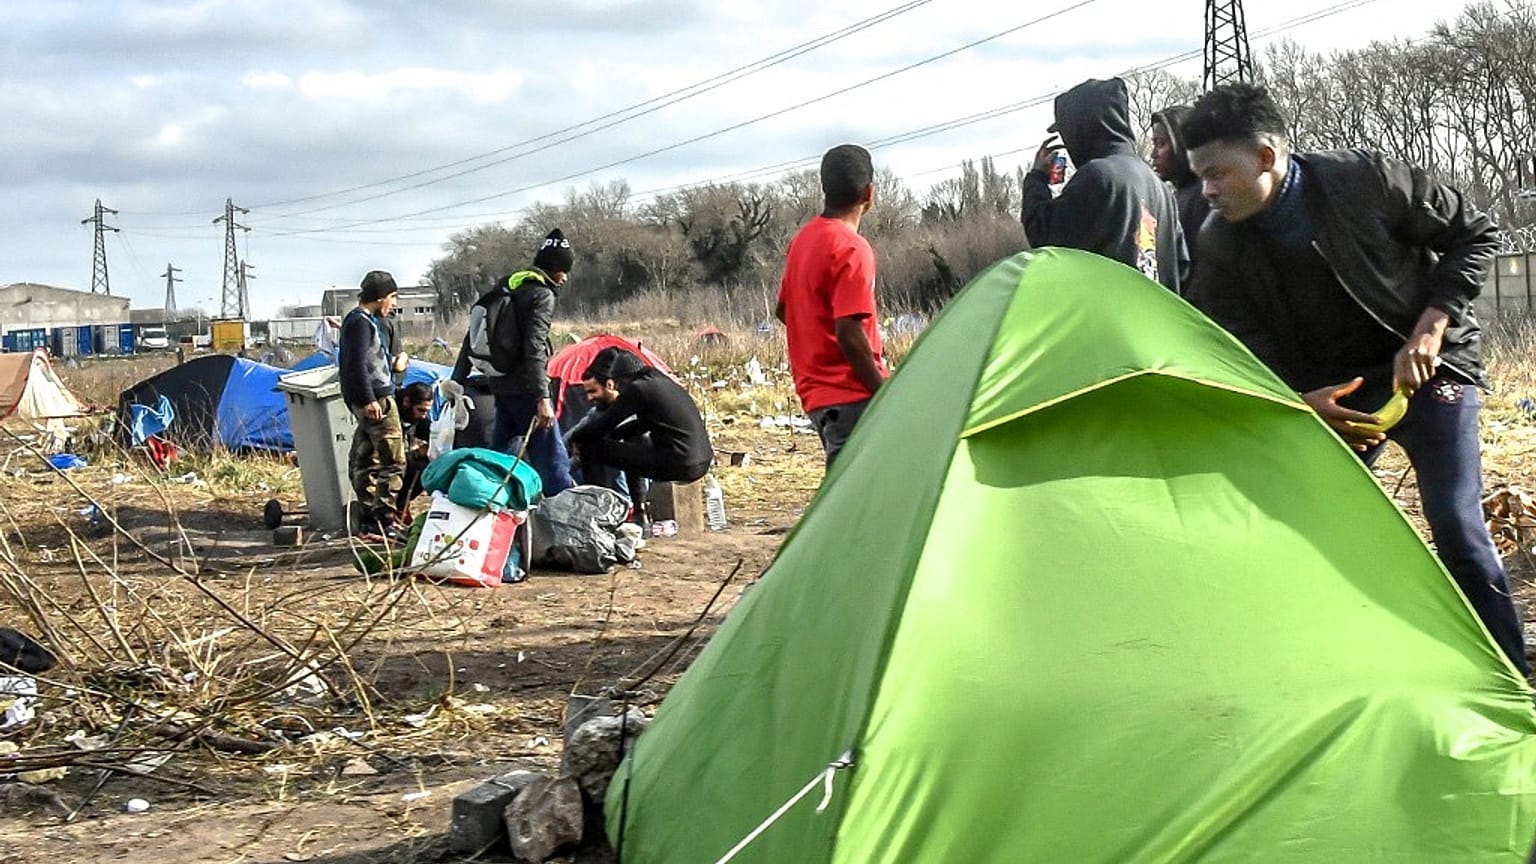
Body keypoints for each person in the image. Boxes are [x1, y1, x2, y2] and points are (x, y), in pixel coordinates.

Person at [1181, 82, 1527, 674]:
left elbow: (1476, 236)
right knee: (1318, 538)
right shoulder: (1218, 246)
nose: (1206, 191)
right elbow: (1234, 351)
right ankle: (1366, 674)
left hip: (1430, 368)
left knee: (1456, 525)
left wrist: (1431, 328)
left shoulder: (1363, 179)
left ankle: (1510, 679)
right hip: (1331, 399)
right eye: (1199, 176)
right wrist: (1296, 402)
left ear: (1266, 157)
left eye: (1217, 174)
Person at [775, 143, 889, 467]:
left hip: (816, 397)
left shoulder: (802, 240)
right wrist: (884, 393)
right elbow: (849, 333)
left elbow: (784, 311)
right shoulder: (853, 247)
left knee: (855, 493)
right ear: (869, 193)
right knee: (856, 499)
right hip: (853, 395)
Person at [1022, 77, 1188, 293]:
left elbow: (1045, 237)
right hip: (1157, 322)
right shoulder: (1160, 188)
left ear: (1083, 128)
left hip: (1109, 323)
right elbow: (1182, 268)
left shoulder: (1096, 177)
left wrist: (1037, 178)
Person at [452, 229, 576, 497]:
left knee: (500, 460)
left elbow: (471, 337)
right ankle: (570, 519)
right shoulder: (542, 295)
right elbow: (534, 348)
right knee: (552, 464)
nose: (565, 277)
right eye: (563, 270)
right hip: (527, 390)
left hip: (500, 384)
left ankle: (490, 508)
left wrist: (457, 381)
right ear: (552, 267)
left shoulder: (506, 287)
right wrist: (542, 398)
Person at [568, 348, 714, 508]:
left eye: (618, 385)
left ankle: (598, 513)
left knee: (591, 447)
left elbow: (603, 425)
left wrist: (577, 438)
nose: (619, 390)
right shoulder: (662, 382)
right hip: (701, 461)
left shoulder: (638, 388)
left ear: (622, 379)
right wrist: (613, 438)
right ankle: (640, 512)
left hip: (679, 463)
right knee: (635, 438)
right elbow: (638, 426)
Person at [340, 270, 406, 538]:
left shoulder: (359, 322)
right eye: (391, 297)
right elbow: (355, 365)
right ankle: (385, 519)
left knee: (366, 458)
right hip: (376, 400)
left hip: (369, 397)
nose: (393, 303)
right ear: (380, 298)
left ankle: (369, 519)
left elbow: (367, 360)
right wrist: (369, 399)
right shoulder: (361, 323)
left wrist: (393, 363)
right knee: (394, 461)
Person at [1149, 104, 1210, 272]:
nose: (1153, 154)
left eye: (1161, 144)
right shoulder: (1177, 196)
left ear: (1182, 145)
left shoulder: (1205, 197)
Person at [395, 381, 434, 517]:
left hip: (401, 463)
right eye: (421, 410)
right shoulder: (390, 418)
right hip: (379, 471)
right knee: (421, 469)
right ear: (406, 402)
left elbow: (433, 433)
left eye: (427, 411)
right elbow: (390, 458)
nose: (424, 415)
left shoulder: (414, 415)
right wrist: (417, 453)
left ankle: (401, 507)